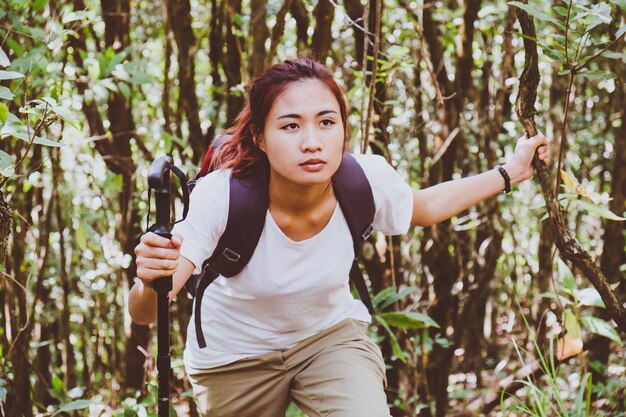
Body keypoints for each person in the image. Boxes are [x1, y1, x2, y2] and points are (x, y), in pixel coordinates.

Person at [129, 58, 550, 417]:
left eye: (326, 122)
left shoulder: (363, 179)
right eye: (290, 126)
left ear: (342, 129)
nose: (312, 142)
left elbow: (423, 207)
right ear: (259, 136)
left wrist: (510, 172)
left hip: (327, 338)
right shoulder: (220, 195)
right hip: (233, 359)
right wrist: (150, 279)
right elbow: (149, 311)